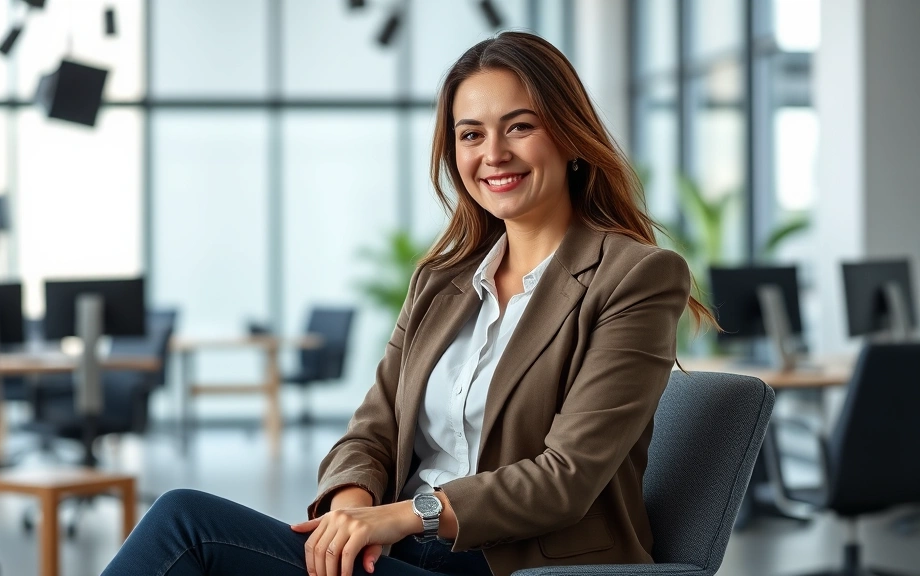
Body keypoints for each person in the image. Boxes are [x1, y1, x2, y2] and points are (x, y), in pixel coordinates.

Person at [102, 31, 713, 576]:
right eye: (471, 134)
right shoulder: (441, 282)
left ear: (571, 137)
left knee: (187, 528)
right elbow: (373, 429)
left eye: (520, 127)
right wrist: (350, 516)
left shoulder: (635, 277)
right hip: (395, 552)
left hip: (517, 565)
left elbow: (566, 479)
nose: (493, 153)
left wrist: (405, 515)